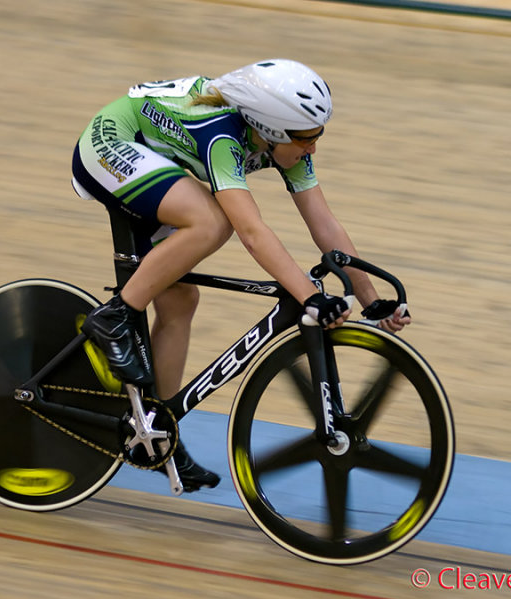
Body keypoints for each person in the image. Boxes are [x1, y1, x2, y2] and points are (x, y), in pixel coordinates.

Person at [71, 59, 410, 492]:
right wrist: (308, 295)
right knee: (212, 222)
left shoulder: (280, 138)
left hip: (154, 155)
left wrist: (370, 299)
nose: (313, 149)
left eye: (317, 136)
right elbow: (251, 231)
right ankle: (114, 316)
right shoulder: (220, 137)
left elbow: (323, 222)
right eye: (307, 139)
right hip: (110, 144)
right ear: (270, 129)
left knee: (179, 301)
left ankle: (154, 434)